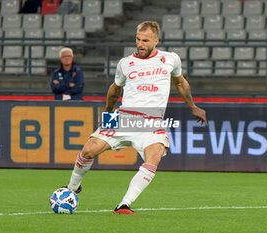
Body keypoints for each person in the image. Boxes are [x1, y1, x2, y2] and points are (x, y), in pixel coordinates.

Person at [66, 21, 207, 214]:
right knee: (89, 149)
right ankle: (72, 188)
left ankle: (124, 204)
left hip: (152, 122)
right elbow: (115, 89)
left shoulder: (170, 59)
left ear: (156, 41)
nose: (140, 44)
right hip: (125, 116)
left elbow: (180, 83)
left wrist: (193, 106)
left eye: (146, 40)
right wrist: (107, 112)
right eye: (138, 39)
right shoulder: (125, 64)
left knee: (154, 157)